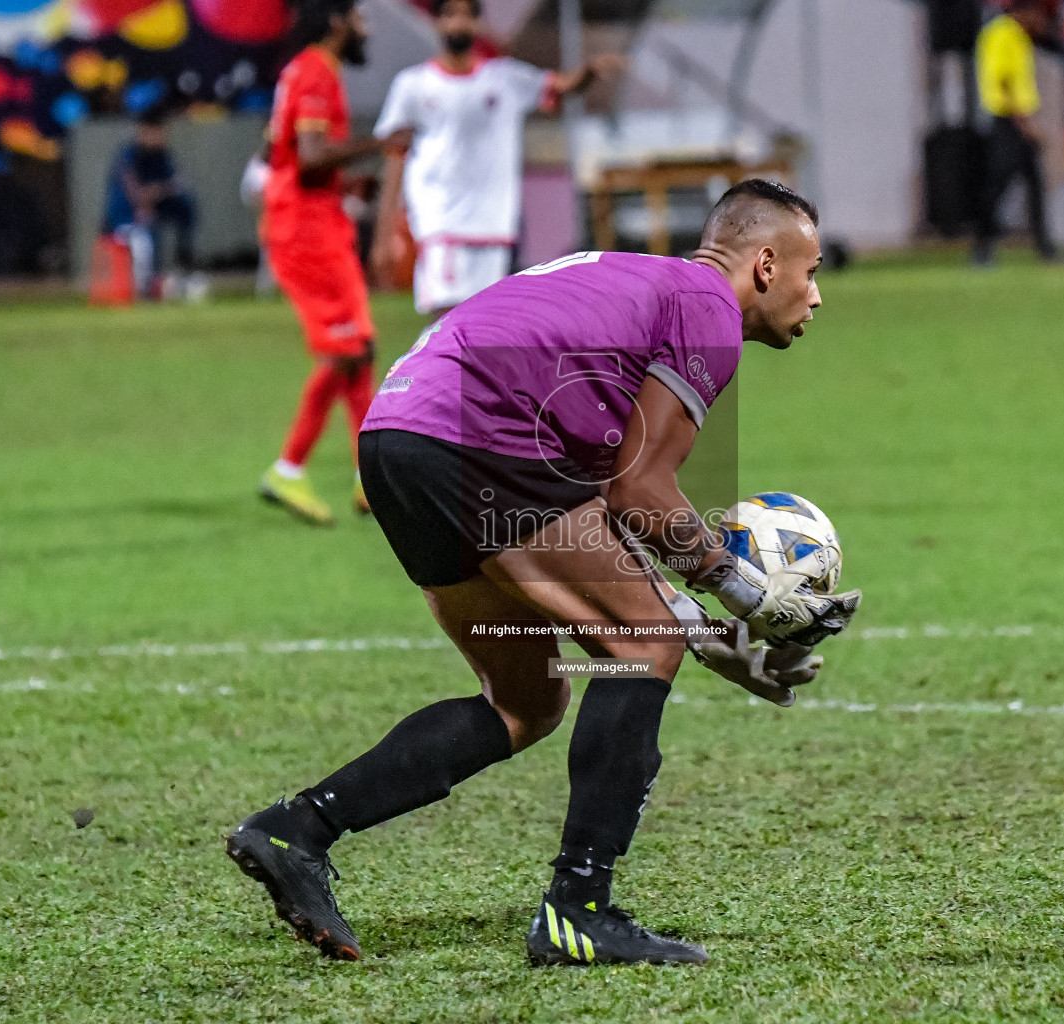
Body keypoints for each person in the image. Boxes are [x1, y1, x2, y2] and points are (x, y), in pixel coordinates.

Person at [225, 180, 862, 966]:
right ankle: (578, 911)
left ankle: (299, 828)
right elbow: (643, 492)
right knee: (640, 644)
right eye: (813, 269)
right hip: (477, 435)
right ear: (766, 265)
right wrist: (747, 592)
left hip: (398, 434)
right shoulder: (707, 308)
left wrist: (709, 631)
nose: (818, 294)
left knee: (527, 700)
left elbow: (604, 519)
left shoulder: (638, 292)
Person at [369, 0, 623, 317]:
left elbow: (561, 86)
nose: (458, 24)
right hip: (442, 222)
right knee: (447, 319)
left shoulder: (504, 78)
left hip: (494, 225)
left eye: (467, 16)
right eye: (450, 15)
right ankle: (423, 368)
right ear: (436, 23)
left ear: (477, 24)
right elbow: (395, 154)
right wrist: (384, 235)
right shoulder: (412, 85)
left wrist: (587, 73)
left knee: (484, 321)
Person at [258, 0, 405, 525]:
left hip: (308, 222)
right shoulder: (317, 72)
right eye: (360, 19)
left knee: (358, 348)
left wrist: (343, 184)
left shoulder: (301, 70)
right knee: (346, 350)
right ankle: (288, 468)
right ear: (338, 22)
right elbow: (313, 153)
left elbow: (278, 155)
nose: (365, 29)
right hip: (307, 232)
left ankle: (370, 478)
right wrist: (378, 145)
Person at [973, 0, 1060, 266]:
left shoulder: (1016, 36)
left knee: (1034, 185)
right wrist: (1026, 126)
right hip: (1008, 122)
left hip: (1016, 120)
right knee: (998, 187)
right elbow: (1004, 81)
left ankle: (1045, 248)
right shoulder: (1003, 34)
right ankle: (982, 247)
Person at [102, 105, 202, 297]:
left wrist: (160, 192)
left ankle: (185, 264)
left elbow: (176, 187)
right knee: (143, 243)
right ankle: (146, 289)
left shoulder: (162, 156)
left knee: (186, 207)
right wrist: (161, 189)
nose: (161, 136)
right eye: (156, 131)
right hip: (124, 220)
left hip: (150, 214)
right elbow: (138, 196)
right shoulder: (129, 157)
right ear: (144, 131)